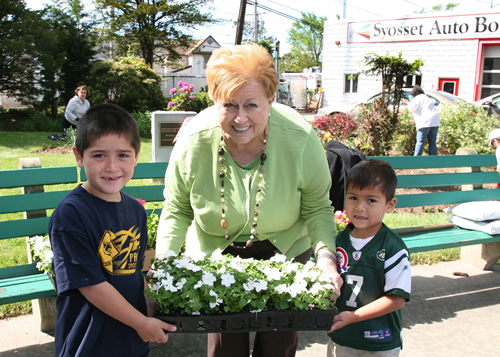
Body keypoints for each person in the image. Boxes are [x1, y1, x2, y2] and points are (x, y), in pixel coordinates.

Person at [156, 43, 342, 357]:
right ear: (214, 100)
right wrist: (162, 266)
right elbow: (177, 209)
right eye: (229, 105)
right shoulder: (193, 141)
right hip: (215, 252)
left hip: (285, 252)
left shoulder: (300, 138)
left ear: (271, 100)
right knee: (225, 349)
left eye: (252, 105)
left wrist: (325, 259)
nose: (240, 118)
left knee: (277, 347)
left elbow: (317, 206)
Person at [49, 103, 176, 356]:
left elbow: (131, 272)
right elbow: (92, 286)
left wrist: (147, 307)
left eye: (122, 155)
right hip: (89, 342)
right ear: (78, 155)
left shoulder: (135, 211)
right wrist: (141, 323)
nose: (111, 166)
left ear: (137, 155)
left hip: (129, 340)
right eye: (99, 155)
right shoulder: (71, 214)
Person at [327, 159, 411, 357]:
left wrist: (355, 316)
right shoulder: (339, 241)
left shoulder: (392, 248)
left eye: (371, 200)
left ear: (390, 205)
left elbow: (397, 299)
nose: (360, 207)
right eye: (353, 197)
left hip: (379, 341)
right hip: (342, 337)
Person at [406, 85, 440, 156]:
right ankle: (433, 158)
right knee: (432, 141)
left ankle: (416, 159)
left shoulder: (417, 98)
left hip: (424, 122)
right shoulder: (427, 98)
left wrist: (407, 102)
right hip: (435, 121)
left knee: (420, 141)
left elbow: (413, 108)